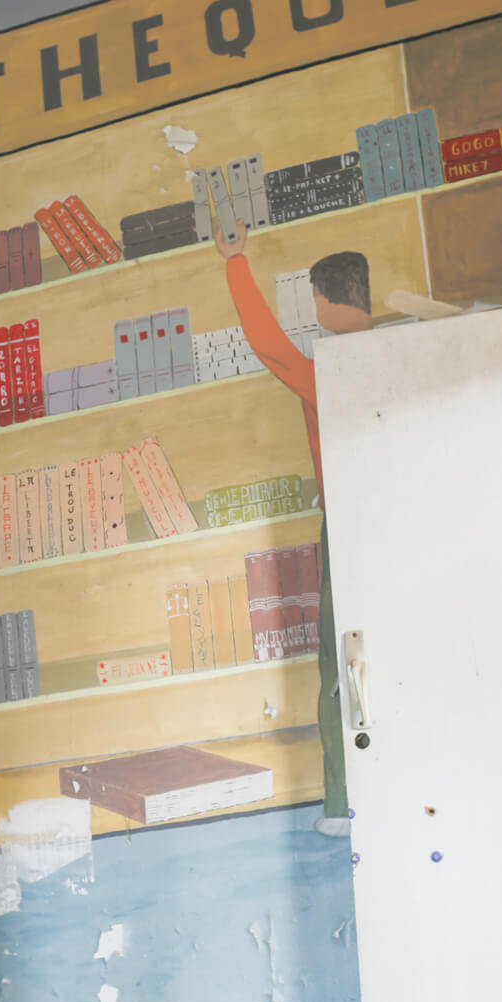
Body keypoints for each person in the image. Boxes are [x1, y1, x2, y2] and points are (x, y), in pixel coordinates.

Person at [216, 222, 372, 837]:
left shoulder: (326, 372)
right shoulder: (398, 356)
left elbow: (269, 346)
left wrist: (235, 261)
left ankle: (340, 806)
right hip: (406, 522)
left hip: (350, 529)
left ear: (325, 302)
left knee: (338, 670)